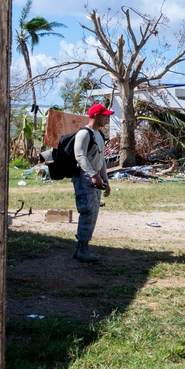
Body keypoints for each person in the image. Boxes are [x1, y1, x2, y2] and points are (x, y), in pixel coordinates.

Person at [72, 103, 113, 263]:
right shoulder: (84, 134)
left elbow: (100, 160)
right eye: (105, 115)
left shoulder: (99, 135)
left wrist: (105, 180)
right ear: (96, 115)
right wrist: (93, 175)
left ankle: (81, 248)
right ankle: (82, 249)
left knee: (94, 211)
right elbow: (80, 156)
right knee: (87, 210)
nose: (107, 118)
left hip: (95, 177)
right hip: (84, 177)